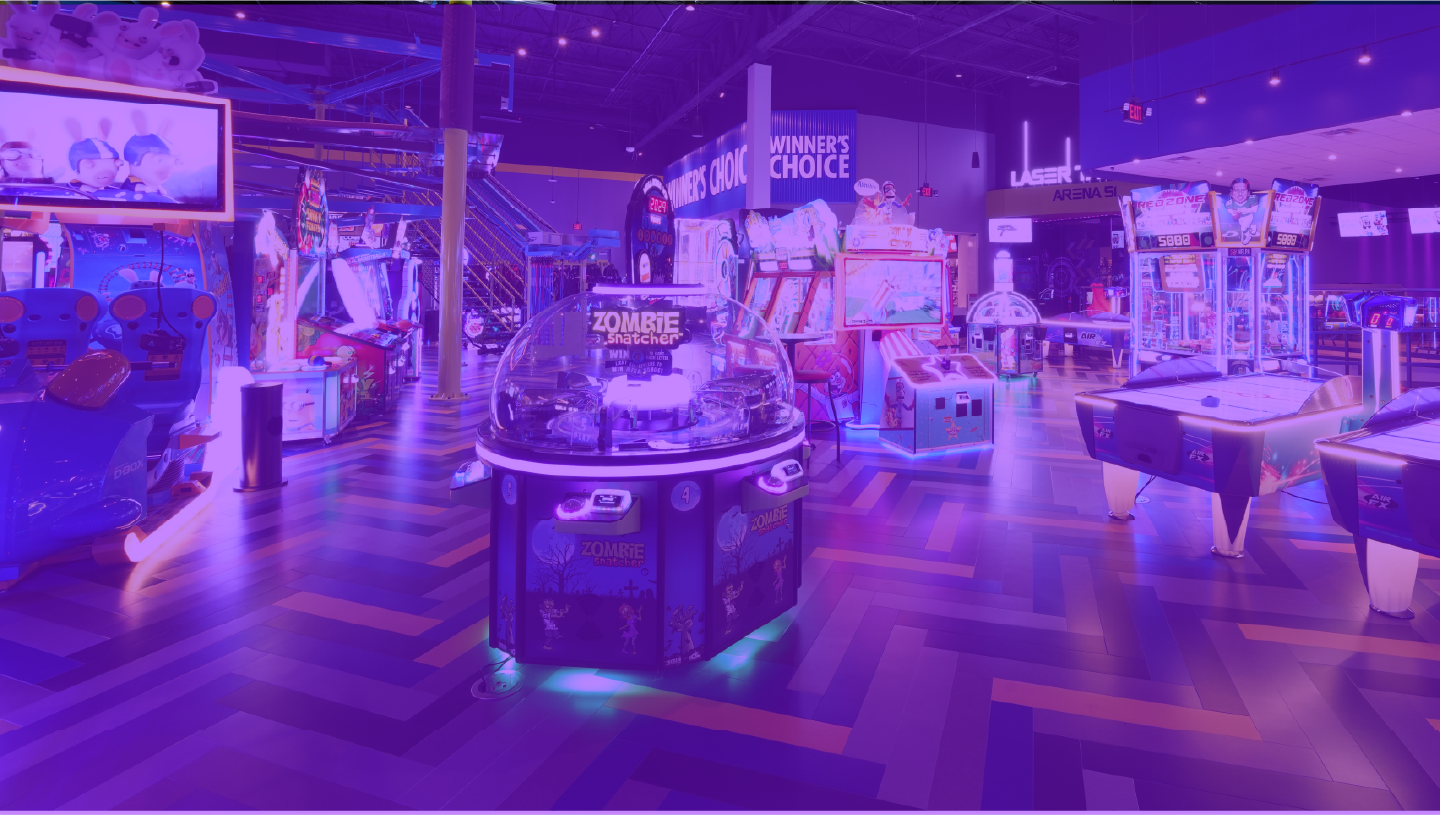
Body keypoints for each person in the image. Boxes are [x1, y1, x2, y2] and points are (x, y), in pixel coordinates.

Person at [1219, 178, 1262, 246]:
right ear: (1231, 194)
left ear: (1248, 193)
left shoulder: (1251, 199)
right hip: (1240, 217)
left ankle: (1248, 237)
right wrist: (1232, 212)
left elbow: (1255, 209)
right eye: (1236, 190)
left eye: (1243, 190)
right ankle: (1253, 227)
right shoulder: (1230, 203)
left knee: (1243, 228)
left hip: (1248, 216)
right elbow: (1228, 209)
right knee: (1245, 226)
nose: (1240, 194)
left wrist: (1246, 210)